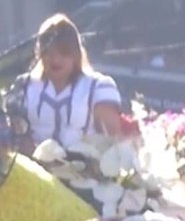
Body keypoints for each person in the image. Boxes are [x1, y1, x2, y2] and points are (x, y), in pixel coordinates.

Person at [13, 13, 123, 153]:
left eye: (64, 53)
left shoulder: (98, 87)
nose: (55, 60)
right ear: (39, 53)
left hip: (86, 171)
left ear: (76, 54)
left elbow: (114, 141)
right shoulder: (23, 86)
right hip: (32, 170)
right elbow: (16, 137)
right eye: (49, 53)